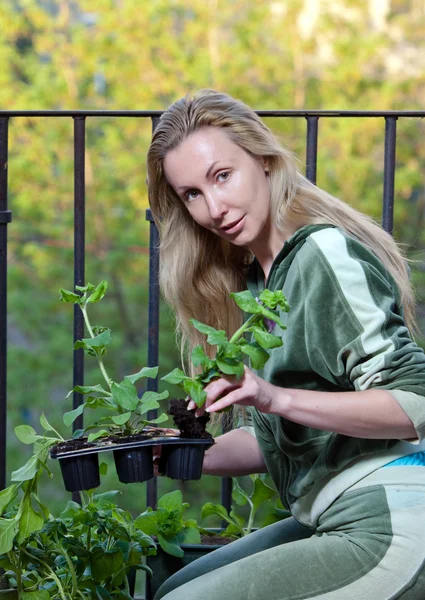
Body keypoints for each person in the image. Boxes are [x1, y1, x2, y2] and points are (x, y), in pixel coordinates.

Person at [146, 89, 425, 600]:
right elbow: (276, 437)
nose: (214, 208)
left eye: (222, 176)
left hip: (395, 515)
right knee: (173, 586)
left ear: (266, 161)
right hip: (331, 512)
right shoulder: (262, 288)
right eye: (191, 194)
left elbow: (414, 405)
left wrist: (272, 396)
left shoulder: (323, 252)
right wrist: (184, 452)